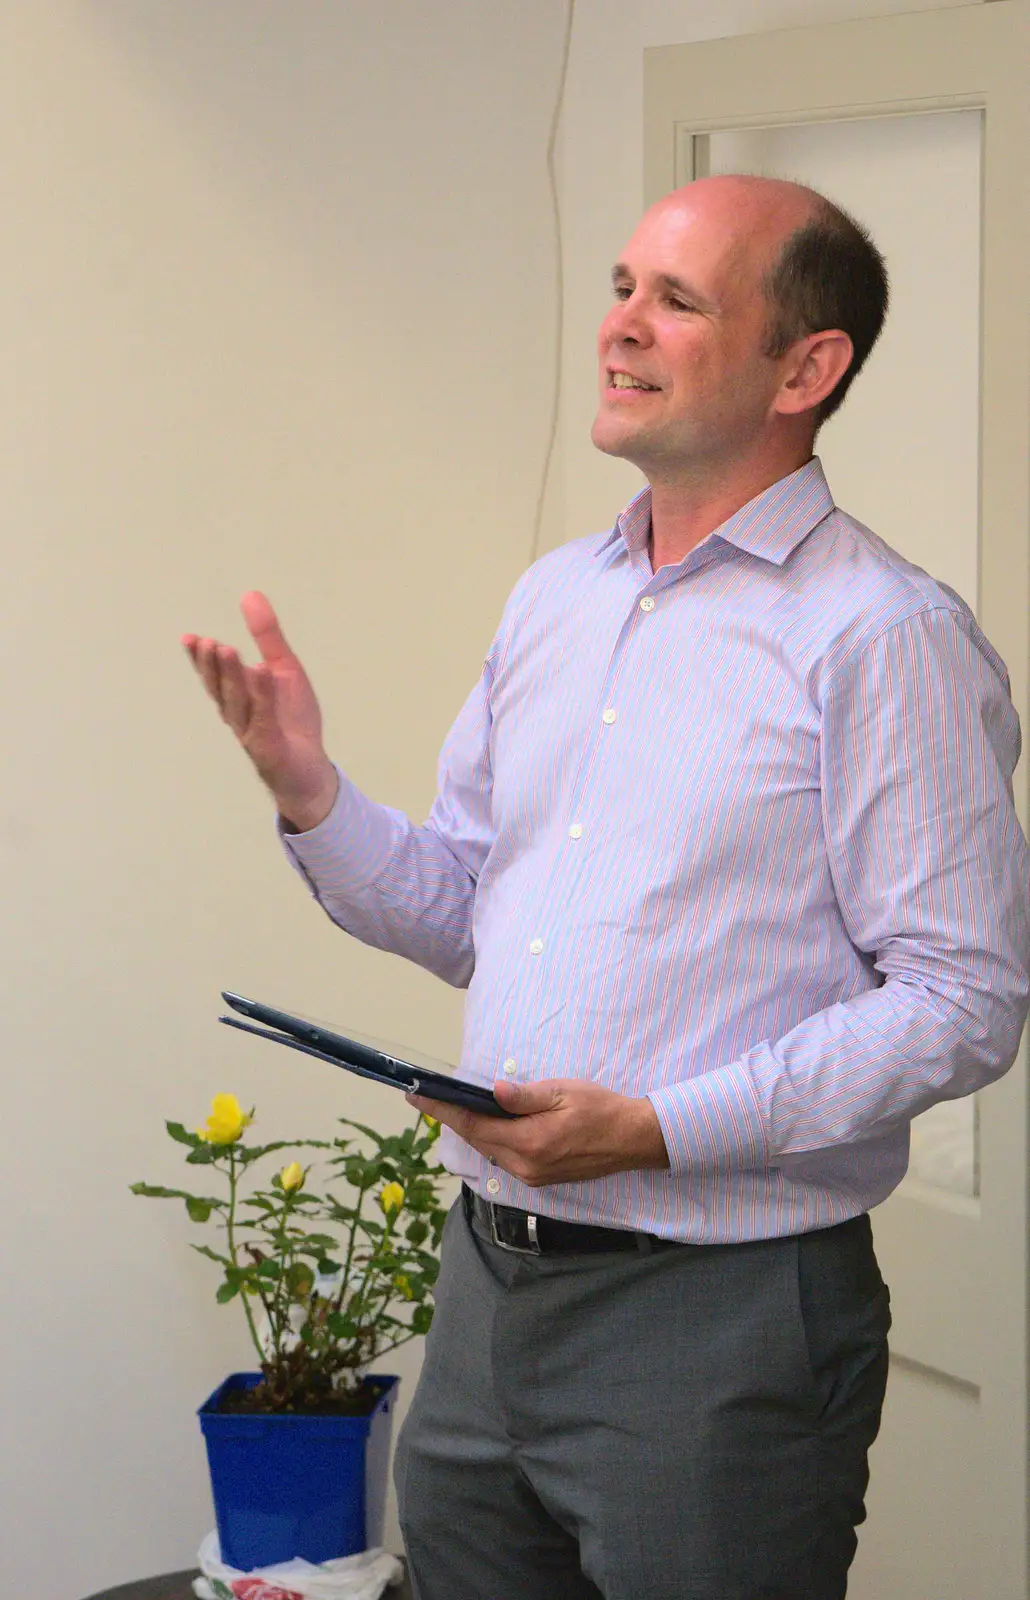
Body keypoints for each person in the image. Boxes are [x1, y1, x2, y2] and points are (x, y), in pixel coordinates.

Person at [184, 175, 1030, 1600]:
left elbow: (964, 1003)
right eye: (623, 286)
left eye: (676, 300)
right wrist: (309, 793)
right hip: (485, 1291)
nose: (619, 326)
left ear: (804, 369)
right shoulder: (554, 602)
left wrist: (653, 1130)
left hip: (722, 1315)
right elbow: (466, 908)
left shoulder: (884, 638)